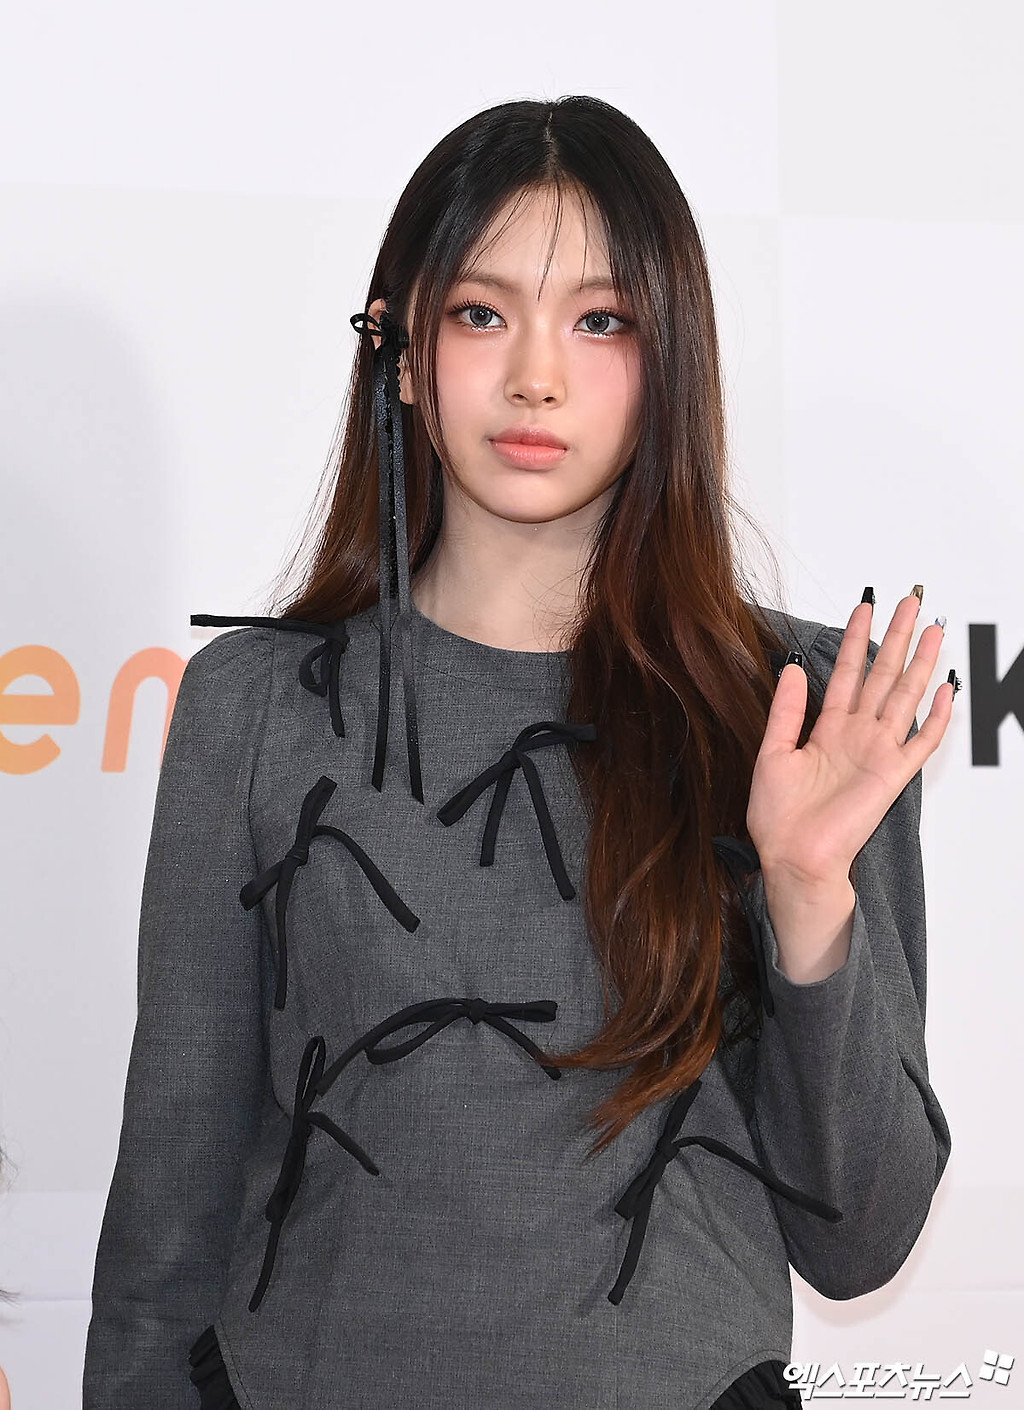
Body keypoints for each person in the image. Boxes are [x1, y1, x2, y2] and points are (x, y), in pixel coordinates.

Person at [82, 96, 955, 1410]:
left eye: (600, 321)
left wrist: (806, 893)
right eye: (482, 313)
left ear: (671, 361)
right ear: (404, 352)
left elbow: (861, 1239)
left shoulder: (802, 709)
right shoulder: (252, 709)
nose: (536, 375)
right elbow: (170, 1212)